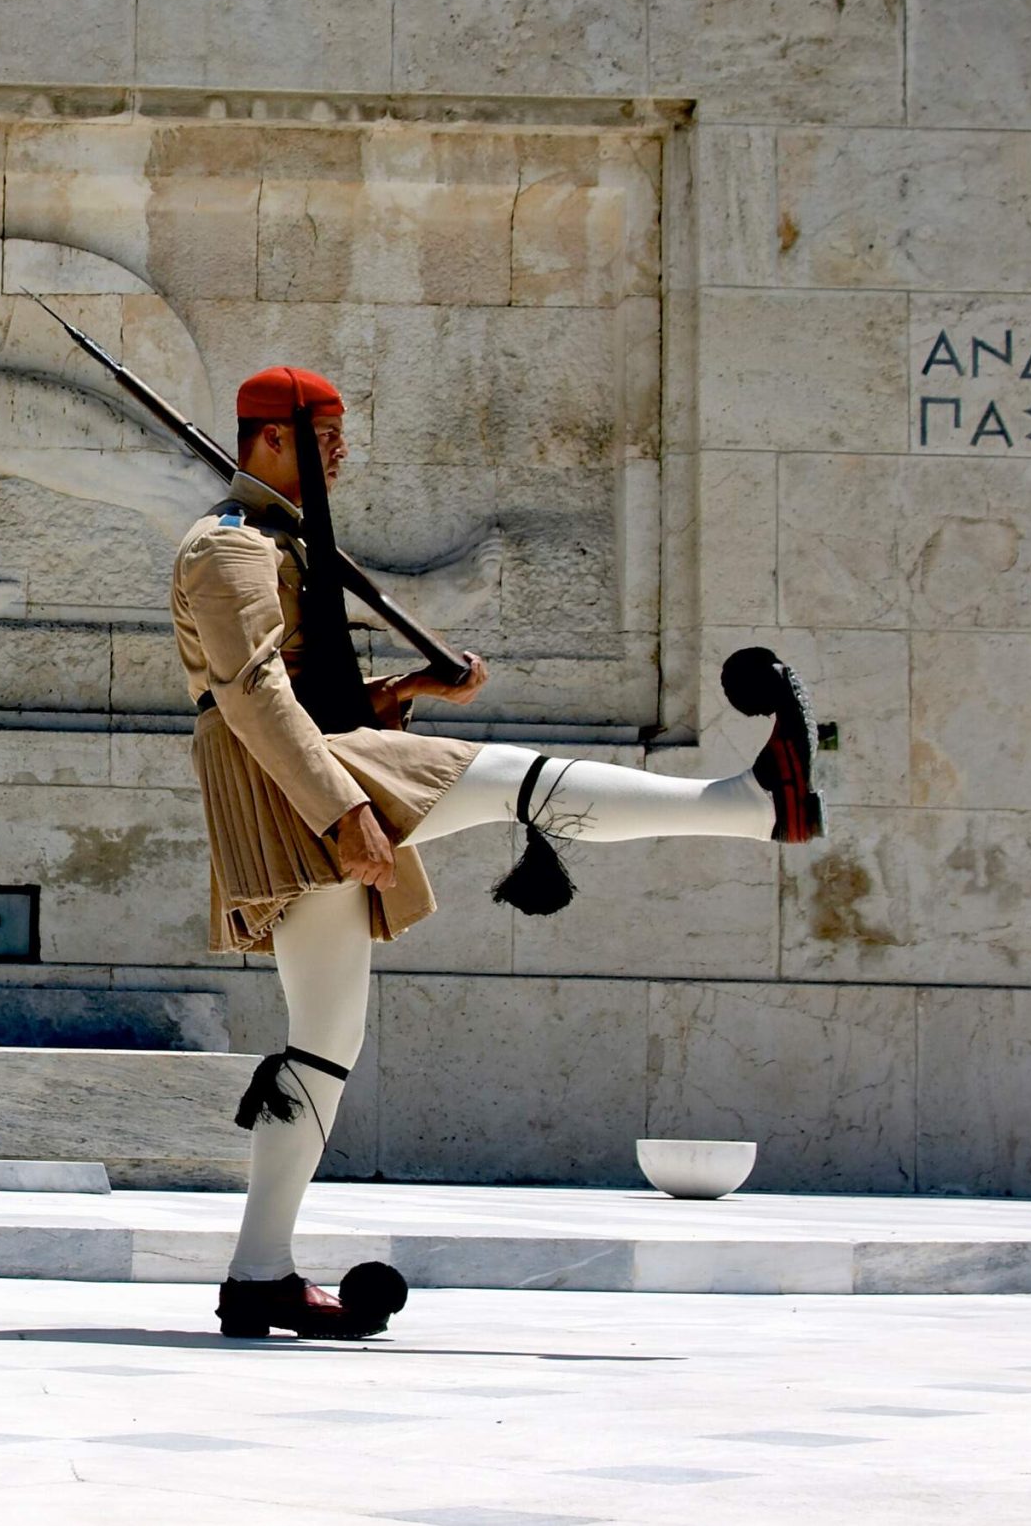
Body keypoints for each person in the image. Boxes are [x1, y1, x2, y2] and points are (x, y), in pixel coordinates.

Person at [173, 366, 822, 1340]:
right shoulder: (224, 548)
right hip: (291, 786)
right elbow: (252, 693)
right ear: (271, 439)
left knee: (323, 1043)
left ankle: (258, 1275)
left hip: (305, 772)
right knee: (506, 778)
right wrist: (345, 805)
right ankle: (750, 805)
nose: (341, 452)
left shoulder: (279, 543)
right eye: (326, 435)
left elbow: (313, 691)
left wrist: (408, 696)